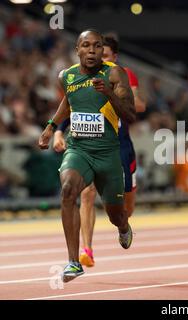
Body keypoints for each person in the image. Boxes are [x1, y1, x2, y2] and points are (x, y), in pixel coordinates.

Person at [38, 30, 136, 282]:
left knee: (116, 213)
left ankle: (123, 228)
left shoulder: (114, 74)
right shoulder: (66, 76)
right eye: (86, 46)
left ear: (102, 50)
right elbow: (69, 103)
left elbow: (130, 115)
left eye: (96, 46)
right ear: (77, 50)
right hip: (79, 148)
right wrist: (51, 127)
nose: (92, 50)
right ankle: (73, 262)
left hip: (108, 153)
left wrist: (109, 93)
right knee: (69, 189)